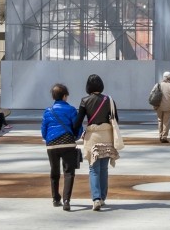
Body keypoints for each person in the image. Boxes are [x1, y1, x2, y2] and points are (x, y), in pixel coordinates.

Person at [77, 73, 119, 211]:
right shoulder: (110, 100)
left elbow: (78, 122)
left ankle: (95, 199)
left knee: (93, 169)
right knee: (104, 169)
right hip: (107, 136)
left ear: (88, 86)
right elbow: (116, 120)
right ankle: (102, 197)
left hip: (92, 137)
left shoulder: (84, 101)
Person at [41, 83, 83, 211]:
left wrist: (48, 138)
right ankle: (66, 200)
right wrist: (75, 137)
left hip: (52, 144)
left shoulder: (48, 111)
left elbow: (44, 129)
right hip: (68, 143)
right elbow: (77, 127)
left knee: (54, 171)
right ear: (65, 96)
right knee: (69, 172)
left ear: (53, 97)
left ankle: (55, 198)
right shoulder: (71, 110)